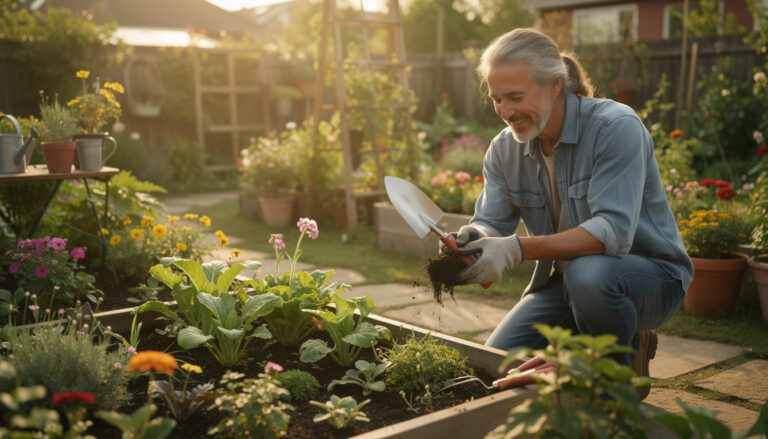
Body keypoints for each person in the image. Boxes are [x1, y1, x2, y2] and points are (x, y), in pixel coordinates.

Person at [447, 28, 693, 400]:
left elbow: (610, 232)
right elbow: (492, 221)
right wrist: (474, 237)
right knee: (501, 367)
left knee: (588, 274)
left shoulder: (615, 127)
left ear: (554, 86)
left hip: (647, 279)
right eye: (497, 99)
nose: (506, 112)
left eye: (516, 97)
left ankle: (616, 380)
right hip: (562, 286)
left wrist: (515, 249)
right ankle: (615, 344)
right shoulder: (504, 150)